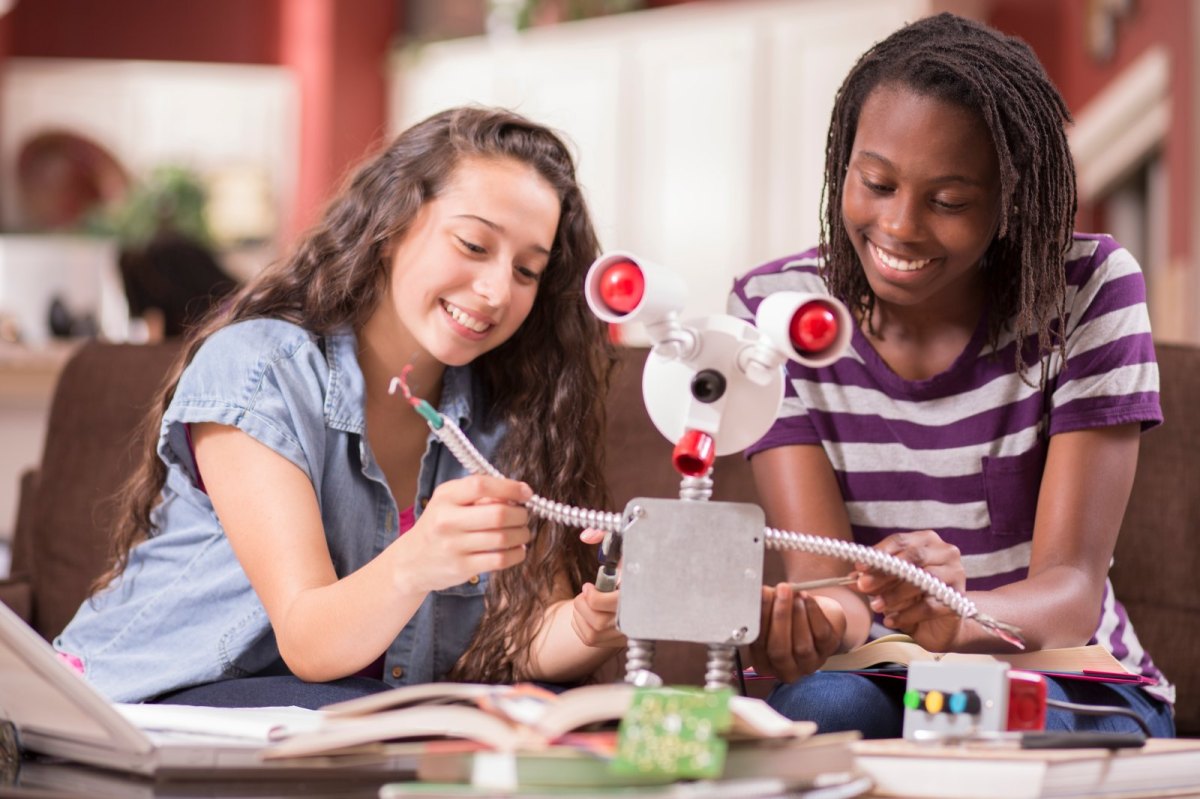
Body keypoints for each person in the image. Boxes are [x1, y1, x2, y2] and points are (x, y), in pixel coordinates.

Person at [54, 106, 625, 708]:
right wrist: (419, 559)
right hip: (138, 710)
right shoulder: (259, 371)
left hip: (328, 719)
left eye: (528, 271)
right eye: (474, 244)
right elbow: (310, 642)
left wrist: (592, 625)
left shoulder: (506, 414)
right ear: (392, 224)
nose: (497, 291)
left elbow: (521, 637)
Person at [728, 13, 1174, 738]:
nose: (900, 226)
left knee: (993, 735)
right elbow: (826, 580)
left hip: (1059, 668)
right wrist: (806, 622)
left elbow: (1071, 592)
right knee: (820, 713)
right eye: (875, 182)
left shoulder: (1091, 289)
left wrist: (958, 616)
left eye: (950, 201)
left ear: (1010, 199)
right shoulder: (777, 311)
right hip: (878, 672)